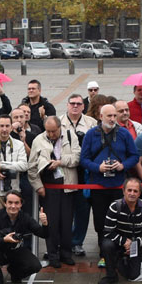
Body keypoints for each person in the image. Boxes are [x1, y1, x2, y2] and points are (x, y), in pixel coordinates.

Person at [81, 101, 141, 244]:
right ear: (101, 116)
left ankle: (120, 250)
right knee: (100, 221)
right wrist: (98, 168)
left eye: (114, 115)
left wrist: (122, 166)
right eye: (109, 116)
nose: (112, 119)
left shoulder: (124, 134)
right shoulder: (90, 134)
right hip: (98, 186)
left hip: (118, 185)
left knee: (120, 220)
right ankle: (103, 252)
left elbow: (134, 156)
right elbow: (83, 159)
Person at [28, 114, 80, 267]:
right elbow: (31, 168)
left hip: (67, 185)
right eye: (48, 132)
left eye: (54, 132)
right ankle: (53, 255)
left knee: (66, 222)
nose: (51, 135)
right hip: (48, 187)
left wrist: (60, 162)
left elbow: (77, 157)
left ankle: (66, 253)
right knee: (51, 223)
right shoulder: (39, 140)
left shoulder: (70, 136)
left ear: (60, 128)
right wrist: (38, 186)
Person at [0, 191, 49, 284]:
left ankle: (15, 273)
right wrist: (4, 239)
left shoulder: (25, 217)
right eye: (10, 202)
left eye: (16, 203)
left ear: (21, 204)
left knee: (35, 266)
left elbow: (43, 234)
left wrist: (45, 224)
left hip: (16, 250)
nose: (13, 206)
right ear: (5, 203)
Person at [98, 178, 142, 284]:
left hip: (135, 243)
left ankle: (120, 260)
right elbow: (107, 231)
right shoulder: (115, 207)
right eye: (129, 190)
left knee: (133, 275)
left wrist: (134, 244)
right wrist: (124, 242)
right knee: (106, 244)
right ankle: (111, 275)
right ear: (123, 191)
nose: (132, 194)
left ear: (140, 193)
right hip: (117, 241)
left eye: (135, 191)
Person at [59, 95, 94, 256]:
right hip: (65, 171)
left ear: (83, 106)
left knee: (83, 210)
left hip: (85, 172)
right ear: (67, 105)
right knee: (65, 210)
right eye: (72, 103)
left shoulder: (91, 123)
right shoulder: (58, 122)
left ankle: (77, 241)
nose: (75, 106)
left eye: (78, 104)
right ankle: (64, 241)